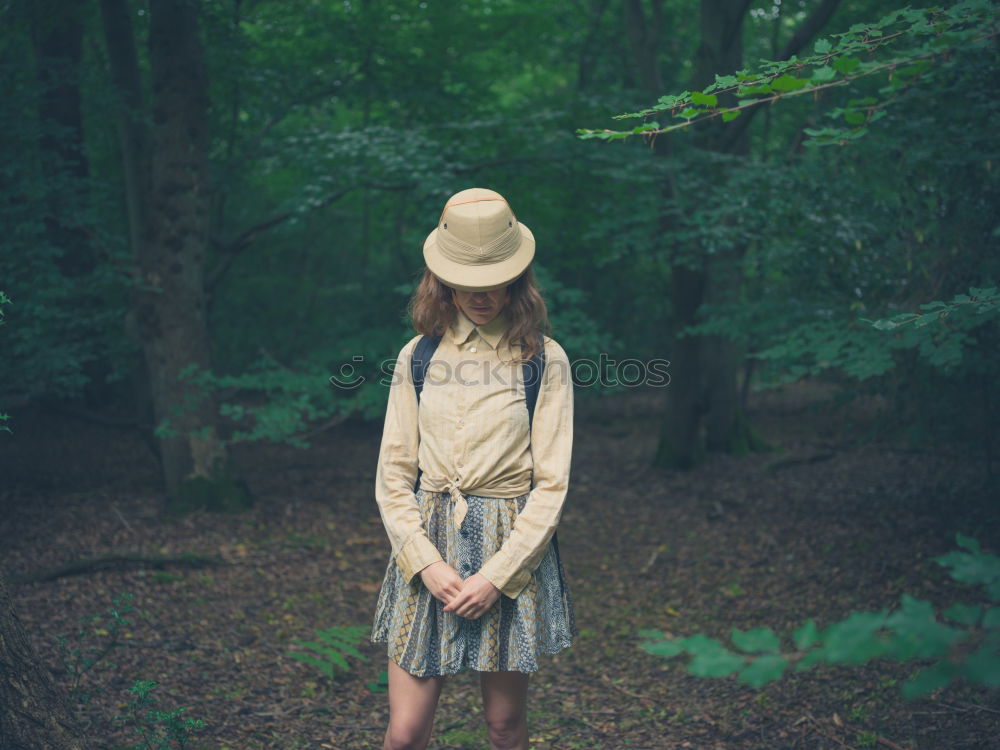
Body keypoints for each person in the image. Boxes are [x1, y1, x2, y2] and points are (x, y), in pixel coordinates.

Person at [371, 187, 578, 750]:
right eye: (468, 281)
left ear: (517, 279)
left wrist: (497, 575)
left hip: (509, 545)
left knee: (504, 726)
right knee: (406, 732)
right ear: (442, 279)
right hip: (427, 541)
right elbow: (393, 477)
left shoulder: (544, 359)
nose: (482, 295)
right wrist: (424, 562)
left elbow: (552, 486)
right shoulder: (418, 356)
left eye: (495, 281)